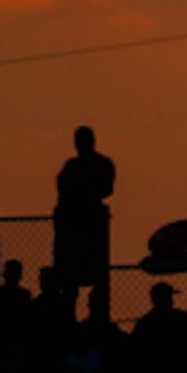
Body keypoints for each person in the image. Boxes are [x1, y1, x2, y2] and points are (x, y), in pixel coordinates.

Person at [51, 126, 115, 323]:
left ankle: (99, 318)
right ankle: (68, 319)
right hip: (72, 231)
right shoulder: (71, 166)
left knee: (98, 277)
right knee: (70, 282)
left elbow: (106, 188)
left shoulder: (102, 164)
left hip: (92, 229)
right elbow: (62, 188)